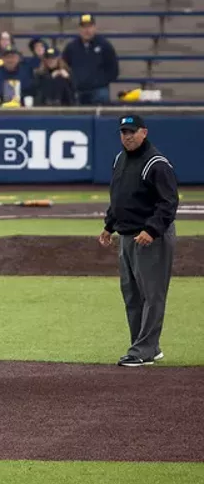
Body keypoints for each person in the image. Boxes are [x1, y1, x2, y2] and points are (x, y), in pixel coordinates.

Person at [99, 115, 178, 367]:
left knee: (152, 294)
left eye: (132, 132)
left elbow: (169, 203)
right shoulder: (119, 159)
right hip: (126, 236)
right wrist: (109, 225)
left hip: (150, 238)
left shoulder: (156, 163)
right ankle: (143, 347)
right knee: (132, 295)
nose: (127, 136)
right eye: (123, 132)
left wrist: (152, 230)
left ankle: (143, 349)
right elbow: (119, 197)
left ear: (144, 132)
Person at [62, 14, 119, 105]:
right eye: (84, 27)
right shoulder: (71, 47)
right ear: (79, 29)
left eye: (89, 26)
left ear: (95, 28)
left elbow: (113, 69)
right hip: (78, 90)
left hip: (98, 89)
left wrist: (100, 82)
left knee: (102, 97)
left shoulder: (104, 45)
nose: (87, 30)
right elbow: (64, 66)